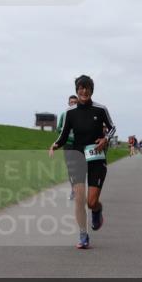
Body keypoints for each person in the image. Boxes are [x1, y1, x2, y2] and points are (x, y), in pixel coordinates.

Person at [49, 75, 115, 249]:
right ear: (77, 90)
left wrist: (105, 139)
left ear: (91, 90)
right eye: (80, 88)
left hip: (96, 158)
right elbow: (63, 135)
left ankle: (97, 210)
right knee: (79, 199)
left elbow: (112, 127)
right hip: (78, 157)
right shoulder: (70, 112)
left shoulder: (100, 109)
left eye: (87, 88)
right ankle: (83, 235)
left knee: (91, 202)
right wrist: (55, 145)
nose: (84, 91)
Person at [58, 95, 78, 200]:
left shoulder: (82, 115)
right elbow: (59, 129)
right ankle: (73, 189)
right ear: (68, 103)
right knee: (71, 169)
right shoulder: (64, 115)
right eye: (71, 102)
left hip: (80, 145)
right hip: (68, 145)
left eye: (75, 102)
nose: (73, 104)